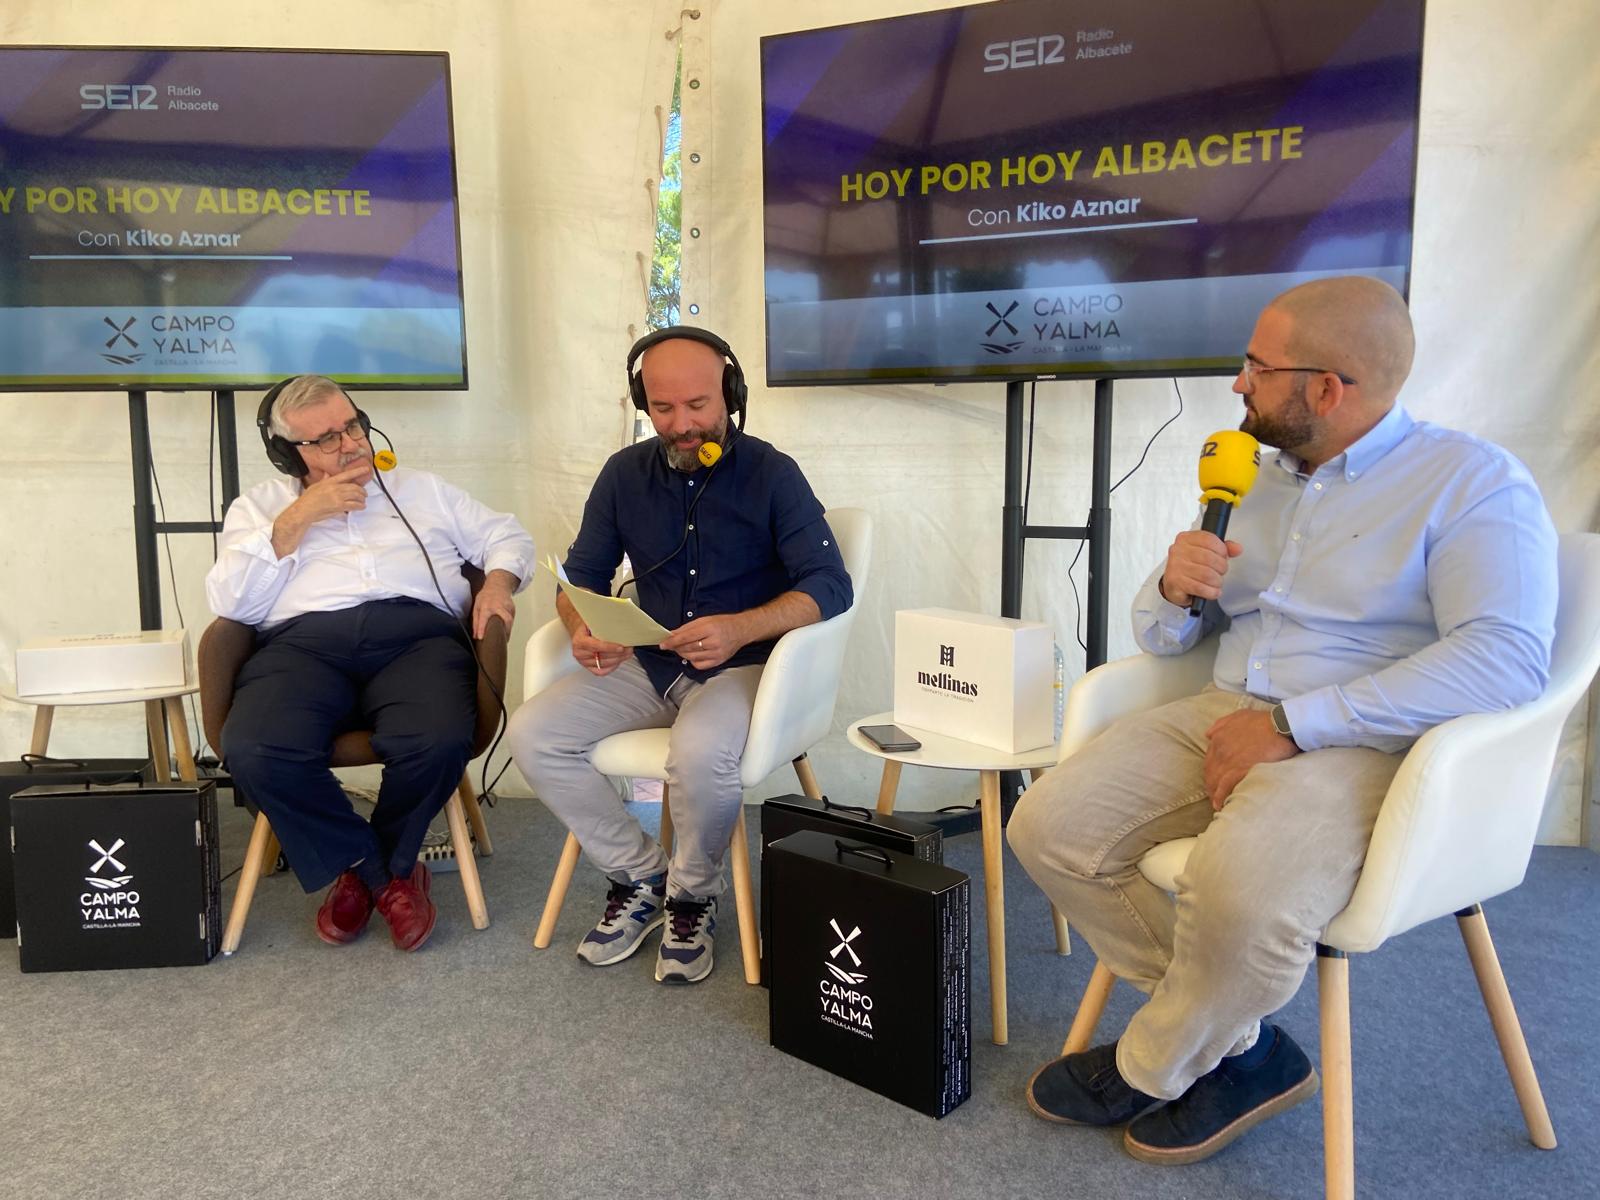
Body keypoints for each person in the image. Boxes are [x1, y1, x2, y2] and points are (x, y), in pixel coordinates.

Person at [1007, 276, 1557, 1164]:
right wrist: (1172, 586)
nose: (1237, 382)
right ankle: (1240, 1045)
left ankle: (1154, 1062)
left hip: (1369, 741)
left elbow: (1504, 659)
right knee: (1047, 827)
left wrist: (1298, 725)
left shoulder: (1472, 482)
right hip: (1225, 706)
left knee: (1239, 892)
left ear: (1327, 389)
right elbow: (1166, 634)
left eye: (1258, 367)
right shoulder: (1249, 476)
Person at [508, 326, 852, 984]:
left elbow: (830, 586)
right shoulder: (623, 476)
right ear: (644, 403)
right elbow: (578, 578)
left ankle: (693, 896)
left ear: (730, 395)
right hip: (649, 662)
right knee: (532, 732)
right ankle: (642, 876)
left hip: (744, 668)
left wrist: (741, 627)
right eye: (663, 409)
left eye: (697, 406)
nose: (682, 424)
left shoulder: (773, 474)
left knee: (697, 755)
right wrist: (582, 623)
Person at [206, 374, 534, 952]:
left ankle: (360, 874)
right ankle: (382, 871)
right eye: (327, 439)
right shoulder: (260, 508)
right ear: (290, 452)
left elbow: (507, 538)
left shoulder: (421, 491)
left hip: (415, 638)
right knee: (254, 748)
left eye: (352, 425)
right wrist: (298, 519)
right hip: (301, 647)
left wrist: (497, 586)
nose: (351, 444)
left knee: (435, 738)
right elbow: (230, 605)